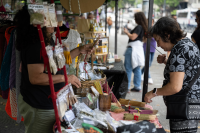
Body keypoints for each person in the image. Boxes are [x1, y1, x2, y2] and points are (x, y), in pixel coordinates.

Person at [16, 8, 93, 133]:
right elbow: (36, 78)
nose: (55, 22)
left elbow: (56, 63)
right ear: (38, 22)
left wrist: (79, 50)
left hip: (49, 102)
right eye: (50, 18)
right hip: (39, 104)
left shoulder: (48, 39)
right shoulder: (35, 45)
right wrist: (66, 78)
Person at [144, 17, 200, 133]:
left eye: (158, 40)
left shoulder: (179, 51)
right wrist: (167, 62)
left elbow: (175, 86)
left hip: (184, 106)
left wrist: (153, 92)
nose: (158, 45)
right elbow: (186, 70)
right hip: (190, 104)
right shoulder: (187, 44)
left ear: (167, 35)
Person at [124, 12, 147, 92]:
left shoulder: (139, 27)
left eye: (135, 18)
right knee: (137, 68)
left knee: (128, 68)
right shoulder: (143, 27)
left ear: (138, 19)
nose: (134, 19)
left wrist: (127, 32)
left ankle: (127, 87)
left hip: (132, 49)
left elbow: (133, 37)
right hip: (138, 49)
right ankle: (137, 86)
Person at [141, 19, 156, 84]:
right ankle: (149, 77)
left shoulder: (155, 29)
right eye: (150, 22)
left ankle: (140, 73)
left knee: (149, 64)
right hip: (146, 47)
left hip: (153, 48)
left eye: (152, 22)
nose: (151, 23)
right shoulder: (145, 29)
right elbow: (144, 39)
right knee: (147, 64)